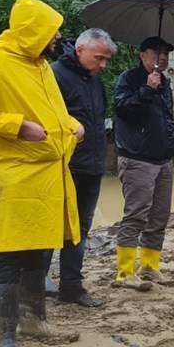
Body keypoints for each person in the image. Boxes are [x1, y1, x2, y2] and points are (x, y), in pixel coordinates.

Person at [0, 0, 83, 347]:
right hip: (11, 176)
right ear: (32, 31)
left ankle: (33, 321)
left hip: (47, 175)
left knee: (39, 250)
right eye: (52, 32)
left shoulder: (40, 65)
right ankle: (4, 342)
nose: (58, 38)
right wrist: (16, 126)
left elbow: (51, 112)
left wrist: (71, 126)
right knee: (8, 255)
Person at [113, 36, 174, 290]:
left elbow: (167, 119)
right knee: (136, 215)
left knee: (159, 215)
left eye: (166, 53)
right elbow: (123, 110)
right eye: (157, 53)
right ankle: (124, 272)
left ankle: (149, 266)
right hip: (136, 158)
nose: (163, 58)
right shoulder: (129, 79)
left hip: (162, 158)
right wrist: (146, 89)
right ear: (142, 55)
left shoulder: (164, 83)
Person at [51, 28, 116, 308]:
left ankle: (71, 287)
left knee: (80, 230)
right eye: (99, 58)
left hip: (92, 167)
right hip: (62, 167)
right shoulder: (53, 76)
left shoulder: (94, 82)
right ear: (80, 51)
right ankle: (36, 285)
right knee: (50, 228)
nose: (103, 65)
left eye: (106, 60)